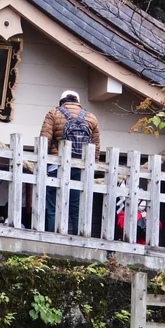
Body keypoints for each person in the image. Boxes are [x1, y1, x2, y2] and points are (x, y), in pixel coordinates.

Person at [40, 90, 100, 235]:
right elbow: (96, 146)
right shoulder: (91, 117)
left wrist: (42, 163)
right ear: (78, 101)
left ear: (62, 101)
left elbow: (44, 140)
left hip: (57, 165)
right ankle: (77, 237)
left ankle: (51, 235)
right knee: (76, 206)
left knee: (52, 205)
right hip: (80, 167)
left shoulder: (53, 113)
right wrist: (93, 167)